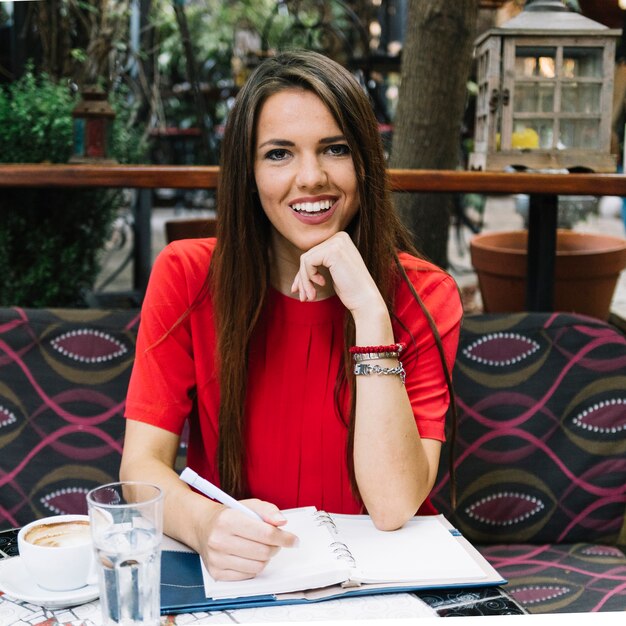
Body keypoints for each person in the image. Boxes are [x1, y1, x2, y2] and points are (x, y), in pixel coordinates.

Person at [120, 50, 463, 582]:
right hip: (245, 572)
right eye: (279, 153)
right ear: (248, 172)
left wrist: (371, 313)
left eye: (335, 149)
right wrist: (204, 524)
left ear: (365, 162)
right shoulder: (188, 275)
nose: (312, 177)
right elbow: (140, 467)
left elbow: (394, 505)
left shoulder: (424, 294)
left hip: (383, 578)